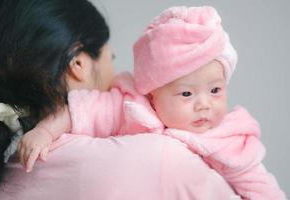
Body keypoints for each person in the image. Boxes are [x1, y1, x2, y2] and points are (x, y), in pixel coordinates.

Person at [19, 6, 286, 200]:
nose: (204, 104)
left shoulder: (230, 138)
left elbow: (260, 186)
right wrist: (44, 132)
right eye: (186, 94)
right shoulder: (130, 109)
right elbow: (78, 110)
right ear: (152, 95)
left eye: (215, 90)